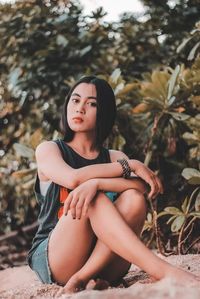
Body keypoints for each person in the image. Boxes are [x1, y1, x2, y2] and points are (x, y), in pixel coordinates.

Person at [27, 75, 198, 294]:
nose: (80, 108)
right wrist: (131, 165)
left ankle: (83, 278)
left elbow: (142, 189)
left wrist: (97, 182)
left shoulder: (114, 156)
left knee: (132, 199)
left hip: (105, 262)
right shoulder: (49, 150)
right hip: (56, 257)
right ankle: (163, 270)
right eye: (75, 100)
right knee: (92, 198)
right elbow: (73, 178)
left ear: (103, 112)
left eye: (92, 103)